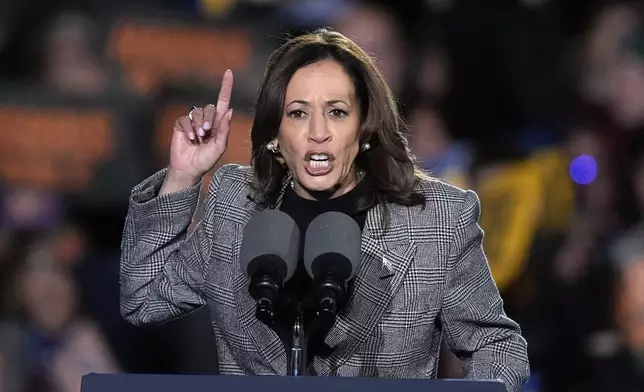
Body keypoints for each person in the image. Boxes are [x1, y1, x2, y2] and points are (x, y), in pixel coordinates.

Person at [119, 29, 530, 390]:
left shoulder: (436, 219)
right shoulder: (233, 205)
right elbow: (143, 299)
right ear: (276, 134)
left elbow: (497, 348)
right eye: (298, 113)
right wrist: (182, 177)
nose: (318, 134)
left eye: (337, 112)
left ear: (365, 128)